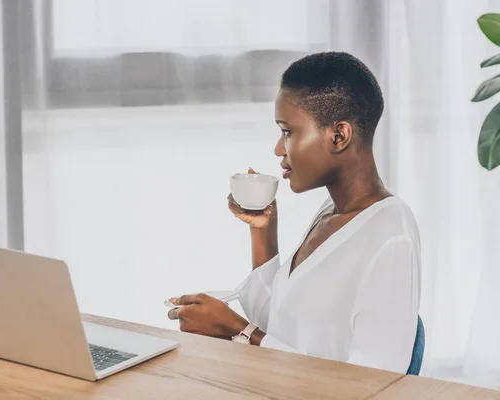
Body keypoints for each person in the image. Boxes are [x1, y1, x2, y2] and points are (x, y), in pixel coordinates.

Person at [167, 51, 421, 374]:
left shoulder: (391, 239)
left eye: (287, 131)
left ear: (338, 136)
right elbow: (280, 322)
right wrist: (263, 229)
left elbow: (372, 384)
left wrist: (237, 331)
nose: (278, 148)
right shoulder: (331, 214)